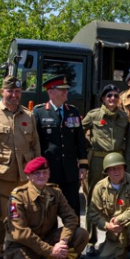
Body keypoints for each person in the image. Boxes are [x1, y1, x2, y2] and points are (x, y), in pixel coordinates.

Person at [4, 157, 89, 259]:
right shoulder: (18, 197)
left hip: (46, 240)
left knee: (81, 234)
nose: (41, 176)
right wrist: (50, 250)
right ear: (29, 176)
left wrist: (63, 241)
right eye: (37, 173)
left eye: (44, 172)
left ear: (49, 173)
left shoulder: (54, 192)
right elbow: (21, 233)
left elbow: (71, 218)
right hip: (21, 247)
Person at [0, 76, 41, 259]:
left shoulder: (27, 116)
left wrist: (37, 171)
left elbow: (35, 145)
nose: (14, 95)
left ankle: (14, 254)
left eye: (18, 92)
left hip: (23, 177)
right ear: (2, 92)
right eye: (10, 91)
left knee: (20, 218)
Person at [33, 75, 88, 222]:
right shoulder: (39, 112)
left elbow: (80, 140)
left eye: (66, 90)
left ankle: (73, 242)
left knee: (72, 211)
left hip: (70, 171)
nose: (66, 93)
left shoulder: (73, 112)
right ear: (51, 92)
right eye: (61, 90)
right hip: (49, 172)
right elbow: (35, 142)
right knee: (48, 213)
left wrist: (83, 165)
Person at [82, 84, 129, 257]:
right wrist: (87, 152)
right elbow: (79, 133)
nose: (112, 99)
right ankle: (90, 240)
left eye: (116, 96)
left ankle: (115, 238)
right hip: (98, 161)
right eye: (109, 95)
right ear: (103, 98)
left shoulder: (124, 117)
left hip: (117, 160)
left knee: (119, 198)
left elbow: (129, 139)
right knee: (93, 200)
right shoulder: (93, 115)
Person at [88, 152, 130, 259]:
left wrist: (120, 219)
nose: (116, 171)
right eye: (113, 169)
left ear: (124, 168)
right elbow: (93, 213)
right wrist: (107, 226)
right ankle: (125, 248)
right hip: (115, 231)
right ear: (107, 171)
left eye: (119, 168)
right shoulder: (100, 187)